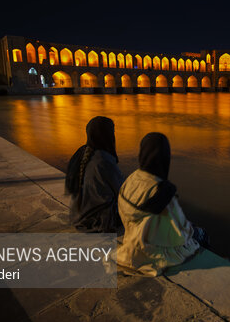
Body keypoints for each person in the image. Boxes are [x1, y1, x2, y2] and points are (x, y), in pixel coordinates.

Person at [117, 132, 209, 276]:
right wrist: (193, 232)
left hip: (130, 239)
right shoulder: (161, 190)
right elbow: (178, 235)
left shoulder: (131, 179)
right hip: (148, 251)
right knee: (199, 235)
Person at [65, 116, 123, 233]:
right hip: (98, 221)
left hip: (79, 216)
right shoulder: (103, 160)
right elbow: (122, 191)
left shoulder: (82, 152)